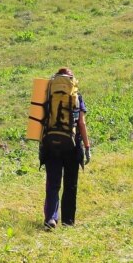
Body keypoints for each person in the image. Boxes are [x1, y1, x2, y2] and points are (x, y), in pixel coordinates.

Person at [41, 67, 91, 229]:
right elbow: (81, 123)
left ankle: (51, 218)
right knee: (70, 184)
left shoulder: (47, 95)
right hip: (72, 146)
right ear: (72, 81)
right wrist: (87, 146)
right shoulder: (76, 97)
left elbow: (40, 121)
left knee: (53, 184)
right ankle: (68, 221)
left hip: (50, 145)